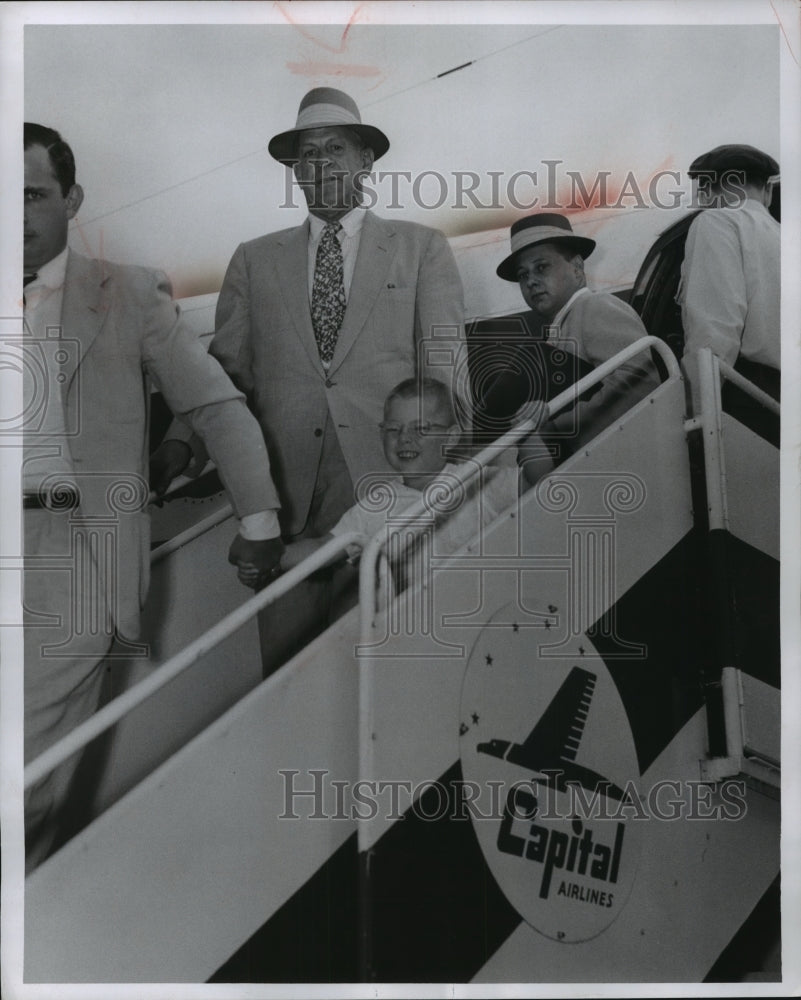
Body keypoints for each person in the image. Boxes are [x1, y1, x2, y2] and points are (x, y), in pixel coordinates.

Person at [21, 123, 283, 871]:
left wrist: (260, 516)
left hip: (73, 555)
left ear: (71, 200)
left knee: (23, 771)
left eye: (31, 195)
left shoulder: (128, 292)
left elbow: (215, 406)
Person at [156, 87, 467, 671]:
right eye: (306, 154)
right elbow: (222, 373)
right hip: (284, 498)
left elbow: (446, 370)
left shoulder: (422, 249)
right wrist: (180, 444)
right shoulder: (253, 259)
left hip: (391, 491)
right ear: (294, 173)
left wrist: (439, 480)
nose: (319, 163)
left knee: (393, 667)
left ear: (366, 160)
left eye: (334, 148)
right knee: (289, 672)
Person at [279, 377, 518, 597]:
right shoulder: (378, 503)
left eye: (421, 428)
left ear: (451, 437)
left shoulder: (477, 481)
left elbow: (536, 483)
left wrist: (535, 432)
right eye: (393, 429)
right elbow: (324, 547)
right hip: (414, 621)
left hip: (480, 605)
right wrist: (269, 557)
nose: (404, 437)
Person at [495, 212, 660, 485]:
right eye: (523, 275)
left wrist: (551, 426)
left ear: (577, 268)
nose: (531, 281)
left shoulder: (595, 307)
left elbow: (638, 388)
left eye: (542, 267)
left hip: (626, 467)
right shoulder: (558, 329)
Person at [678, 144, 780, 401]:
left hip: (756, 394)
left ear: (705, 189)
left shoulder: (716, 222)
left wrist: (700, 411)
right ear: (767, 190)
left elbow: (714, 331)